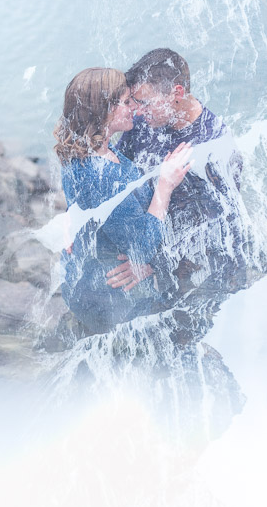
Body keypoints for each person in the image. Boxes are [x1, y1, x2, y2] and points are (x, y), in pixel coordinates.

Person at [53, 67, 192, 333]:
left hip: (84, 280)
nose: (134, 108)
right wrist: (165, 186)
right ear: (103, 110)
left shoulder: (87, 149)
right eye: (127, 102)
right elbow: (140, 248)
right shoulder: (99, 174)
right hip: (109, 299)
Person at [114, 48, 246, 294]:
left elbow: (220, 230)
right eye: (135, 102)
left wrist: (152, 264)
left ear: (177, 93)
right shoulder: (143, 123)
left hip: (191, 275)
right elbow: (116, 170)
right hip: (143, 240)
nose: (138, 111)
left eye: (144, 102)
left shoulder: (215, 149)